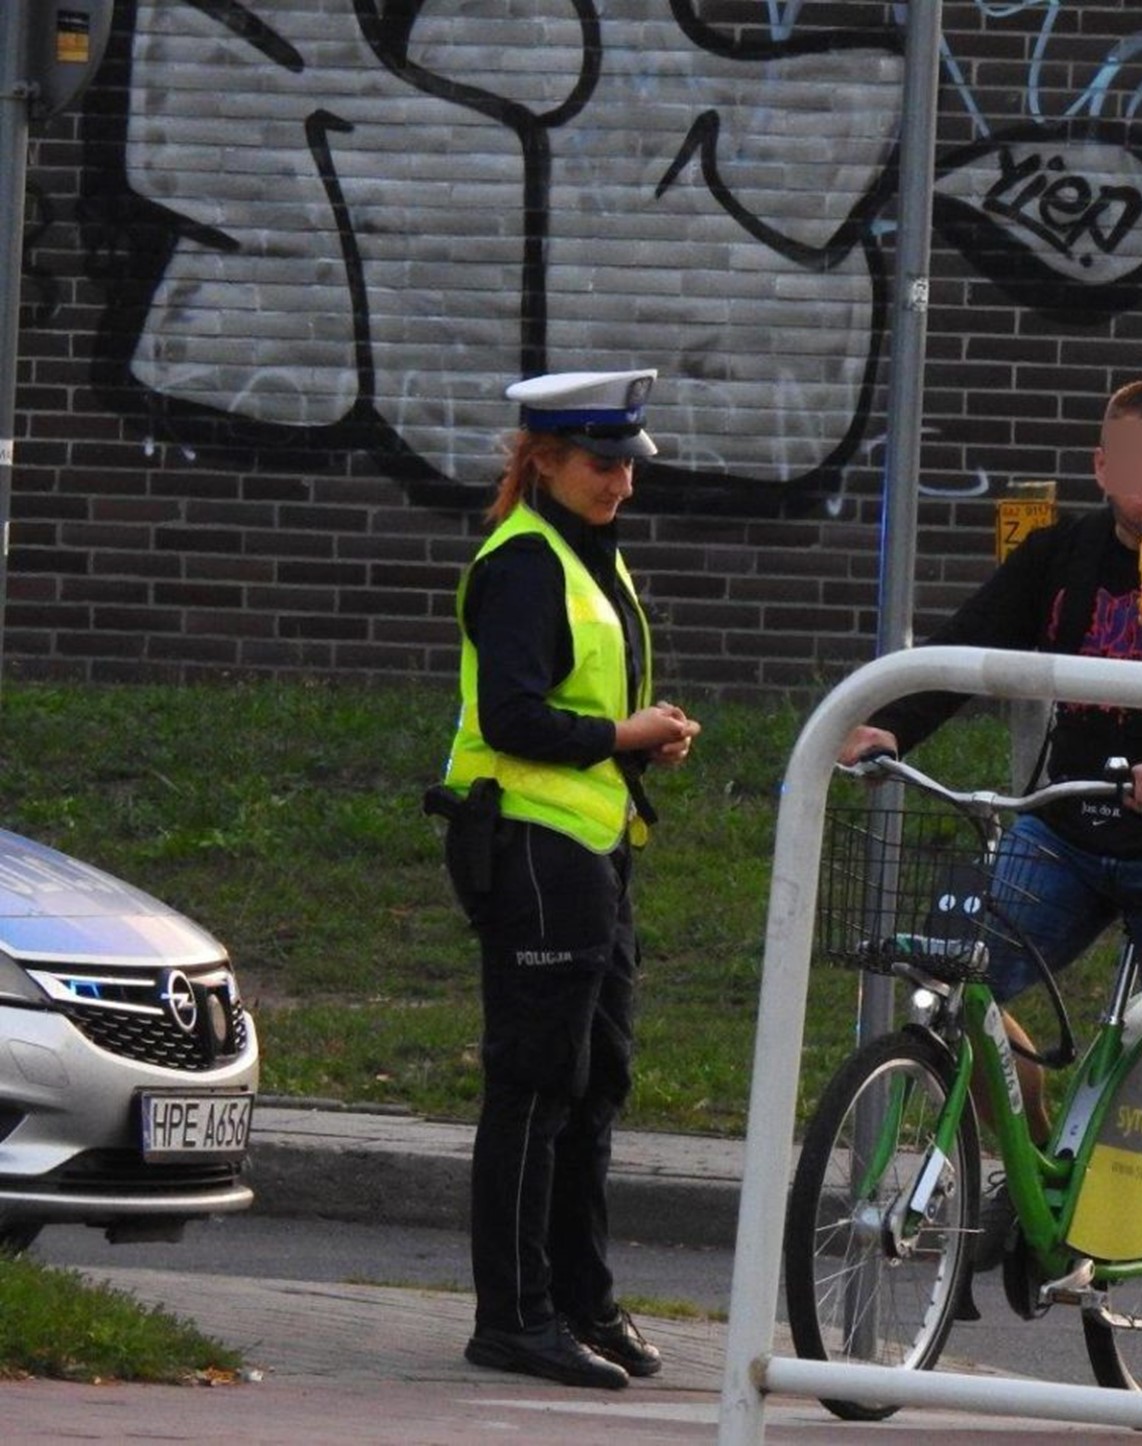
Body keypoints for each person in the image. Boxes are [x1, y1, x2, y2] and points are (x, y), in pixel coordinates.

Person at [839, 377, 1142, 1403]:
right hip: (1068, 819)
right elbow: (972, 647)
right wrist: (891, 728)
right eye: (1133, 477)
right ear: (1102, 472)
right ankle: (1028, 1164)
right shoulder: (1062, 555)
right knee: (955, 978)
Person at [433, 369, 701, 1390]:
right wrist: (619, 734)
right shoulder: (524, 564)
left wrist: (640, 745)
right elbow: (511, 718)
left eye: (630, 465)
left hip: (592, 848)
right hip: (533, 850)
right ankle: (513, 1316)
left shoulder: (591, 555)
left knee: (596, 1084)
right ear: (542, 459)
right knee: (537, 1086)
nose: (622, 484)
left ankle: (581, 1300)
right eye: (603, 464)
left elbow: (579, 704)